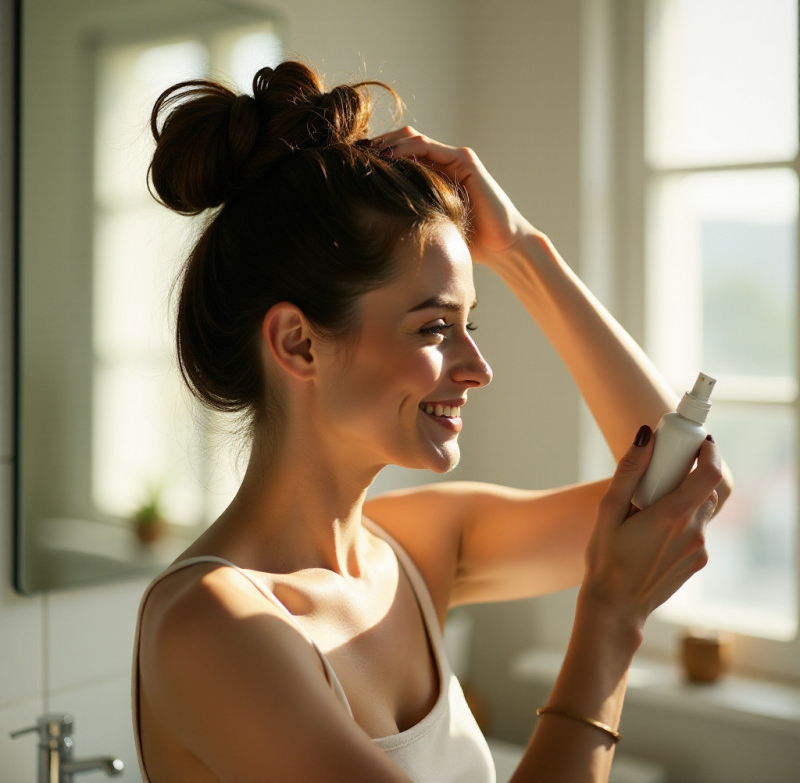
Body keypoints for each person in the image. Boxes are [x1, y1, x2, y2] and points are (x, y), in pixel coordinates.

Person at [132, 59, 729, 783]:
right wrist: (609, 622)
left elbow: (673, 490)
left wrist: (521, 251)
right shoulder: (216, 629)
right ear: (298, 343)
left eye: (471, 323)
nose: (478, 367)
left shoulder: (419, 551)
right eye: (433, 328)